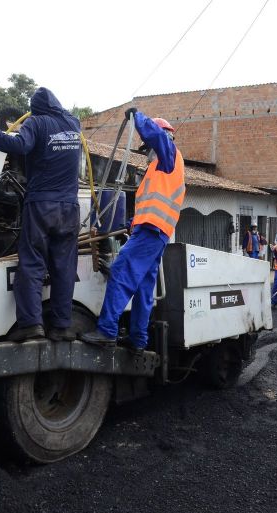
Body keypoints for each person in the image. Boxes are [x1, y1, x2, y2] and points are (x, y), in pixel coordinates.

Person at [0, 87, 81, 342]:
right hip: (70, 208)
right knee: (64, 268)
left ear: (34, 108)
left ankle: (31, 324)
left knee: (33, 264)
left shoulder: (36, 122)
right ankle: (61, 326)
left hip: (42, 205)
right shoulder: (73, 123)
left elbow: (20, 145)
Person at [79, 109, 185, 354]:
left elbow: (156, 136)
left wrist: (138, 117)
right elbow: (153, 203)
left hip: (151, 232)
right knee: (144, 288)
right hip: (152, 231)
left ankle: (106, 331)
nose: (146, 153)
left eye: (147, 147)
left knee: (121, 270)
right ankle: (138, 339)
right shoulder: (159, 168)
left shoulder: (169, 155)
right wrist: (131, 224)